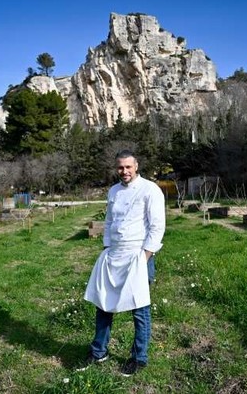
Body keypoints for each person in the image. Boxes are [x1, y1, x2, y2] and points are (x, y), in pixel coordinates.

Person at [80, 149, 166, 376]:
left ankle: (139, 358)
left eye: (128, 166)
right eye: (120, 167)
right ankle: (99, 352)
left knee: (139, 309)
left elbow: (157, 227)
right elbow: (109, 222)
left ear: (136, 166)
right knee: (103, 304)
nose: (124, 171)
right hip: (114, 255)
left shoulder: (150, 190)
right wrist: (107, 247)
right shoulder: (114, 191)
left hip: (138, 256)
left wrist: (145, 256)